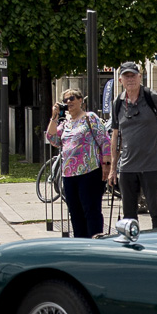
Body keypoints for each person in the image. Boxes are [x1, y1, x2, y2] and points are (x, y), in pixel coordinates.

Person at [104, 62, 157, 230]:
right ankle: (132, 247)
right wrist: (112, 168)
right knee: (129, 215)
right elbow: (115, 136)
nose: (130, 79)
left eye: (133, 75)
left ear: (140, 77)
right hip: (127, 166)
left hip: (152, 165)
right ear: (120, 80)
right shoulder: (118, 102)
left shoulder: (151, 97)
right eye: (126, 76)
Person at [45, 88, 112, 238]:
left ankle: (94, 241)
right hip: (69, 174)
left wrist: (107, 164)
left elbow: (105, 140)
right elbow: (53, 139)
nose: (69, 102)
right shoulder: (66, 124)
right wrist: (54, 117)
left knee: (90, 209)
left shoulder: (90, 117)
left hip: (89, 171)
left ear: (81, 100)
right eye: (66, 100)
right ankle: (80, 242)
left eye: (72, 98)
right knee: (75, 211)